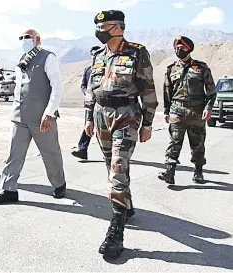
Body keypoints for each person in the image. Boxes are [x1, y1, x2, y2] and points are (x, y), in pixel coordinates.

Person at [84, 10, 158, 257]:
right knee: (111, 165)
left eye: (104, 26)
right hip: (101, 115)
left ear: (118, 27)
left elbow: (147, 88)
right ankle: (126, 205)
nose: (99, 30)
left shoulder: (136, 52)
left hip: (126, 115)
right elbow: (91, 88)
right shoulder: (97, 55)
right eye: (98, 26)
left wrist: (147, 123)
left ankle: (116, 231)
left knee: (117, 167)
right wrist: (88, 117)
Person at [0, 29, 67, 205]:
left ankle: (59, 184)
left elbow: (57, 87)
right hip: (19, 116)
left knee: (50, 153)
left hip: (41, 118)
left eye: (27, 37)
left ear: (37, 39)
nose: (24, 40)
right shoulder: (21, 59)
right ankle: (8, 189)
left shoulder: (48, 57)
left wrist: (49, 113)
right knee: (14, 154)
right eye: (21, 37)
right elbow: (19, 87)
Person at [158, 35, 216, 184]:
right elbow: (167, 92)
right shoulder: (171, 69)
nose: (179, 50)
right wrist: (166, 111)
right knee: (174, 141)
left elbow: (211, 91)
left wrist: (208, 108)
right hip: (177, 110)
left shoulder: (201, 68)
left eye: (182, 48)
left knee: (197, 143)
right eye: (177, 48)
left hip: (196, 111)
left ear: (189, 49)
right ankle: (169, 171)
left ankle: (198, 171)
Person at [72, 45, 101, 160]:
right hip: (90, 104)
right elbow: (83, 85)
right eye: (93, 54)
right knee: (88, 126)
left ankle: (112, 152)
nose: (94, 57)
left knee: (104, 128)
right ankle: (82, 150)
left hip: (102, 103)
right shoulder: (88, 70)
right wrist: (87, 93)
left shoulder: (107, 68)